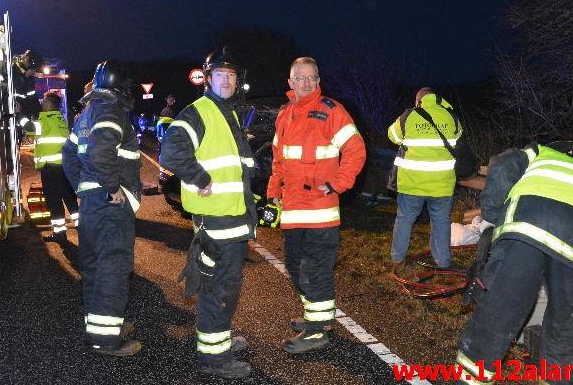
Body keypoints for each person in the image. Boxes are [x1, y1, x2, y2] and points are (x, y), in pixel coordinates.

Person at [455, 141, 573, 385]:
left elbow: (501, 165)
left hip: (523, 234)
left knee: (496, 319)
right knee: (563, 333)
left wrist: (494, 214)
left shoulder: (539, 153)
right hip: (572, 252)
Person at [160, 47, 256, 379]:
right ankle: (215, 359)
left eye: (232, 75)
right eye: (220, 75)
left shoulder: (227, 112)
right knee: (217, 288)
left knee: (227, 286)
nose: (227, 80)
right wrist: (199, 177)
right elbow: (171, 151)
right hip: (216, 222)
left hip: (232, 219)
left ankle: (220, 340)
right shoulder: (199, 111)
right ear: (208, 79)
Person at [266, 56, 366, 354]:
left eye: (312, 78)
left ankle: (316, 331)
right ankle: (316, 318)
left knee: (314, 272)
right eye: (300, 78)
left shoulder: (332, 111)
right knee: (295, 269)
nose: (306, 83)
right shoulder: (284, 114)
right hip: (293, 210)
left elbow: (355, 149)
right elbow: (278, 158)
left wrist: (338, 183)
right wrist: (273, 188)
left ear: (318, 81)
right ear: (290, 82)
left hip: (321, 212)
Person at [61, 60, 142, 357]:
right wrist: (112, 187)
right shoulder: (111, 110)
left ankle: (99, 327)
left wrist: (82, 187)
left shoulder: (86, 115)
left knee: (95, 268)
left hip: (93, 206)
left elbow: (68, 155)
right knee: (114, 268)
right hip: (110, 208)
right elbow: (100, 151)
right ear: (120, 85)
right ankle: (105, 340)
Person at [387, 87, 462, 271]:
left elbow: (392, 136)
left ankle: (398, 260)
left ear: (418, 100)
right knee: (441, 221)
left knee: (404, 219)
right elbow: (458, 136)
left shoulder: (409, 116)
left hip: (412, 183)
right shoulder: (451, 116)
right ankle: (443, 261)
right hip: (442, 185)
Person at [18, 92, 78, 241]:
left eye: (44, 102)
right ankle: (82, 225)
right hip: (62, 167)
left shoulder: (46, 121)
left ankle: (59, 233)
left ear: (49, 104)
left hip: (50, 168)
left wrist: (19, 113)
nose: (42, 103)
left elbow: (29, 126)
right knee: (69, 197)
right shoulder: (60, 119)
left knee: (54, 200)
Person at [12, 49, 43, 120]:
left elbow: (32, 94)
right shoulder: (13, 68)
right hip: (16, 108)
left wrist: (37, 112)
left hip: (26, 111)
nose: (33, 70)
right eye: (32, 68)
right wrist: (24, 76)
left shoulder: (28, 74)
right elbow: (14, 86)